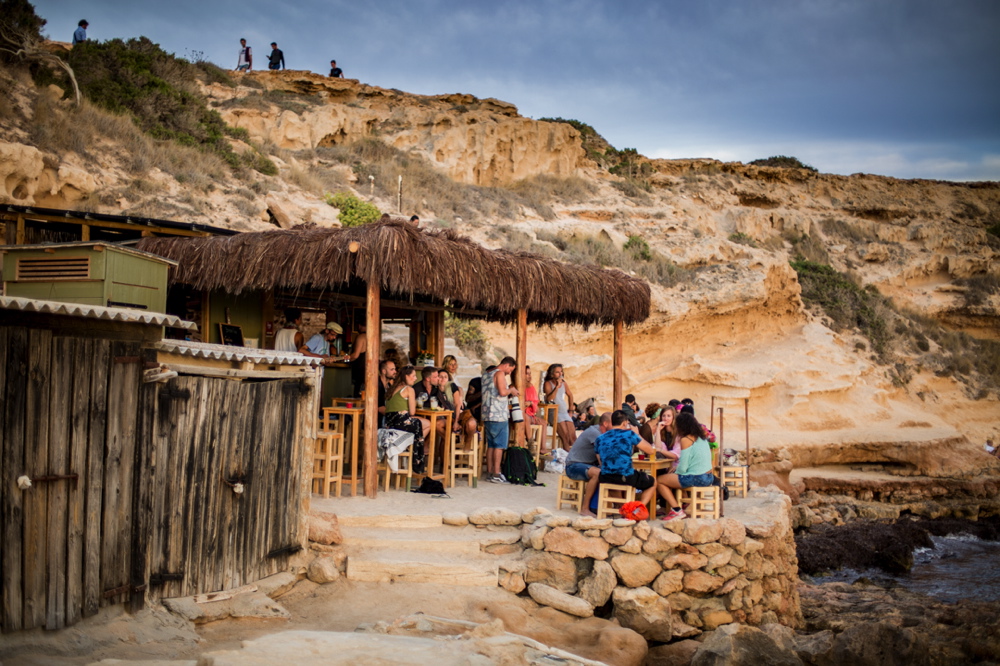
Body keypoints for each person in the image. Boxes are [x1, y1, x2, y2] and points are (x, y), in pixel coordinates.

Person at [594, 411, 670, 518]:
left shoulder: (600, 438)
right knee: (652, 482)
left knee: (615, 481)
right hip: (625, 476)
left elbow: (600, 460)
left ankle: (625, 508)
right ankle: (637, 509)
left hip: (605, 476)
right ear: (625, 423)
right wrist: (638, 434)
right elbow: (650, 450)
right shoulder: (629, 434)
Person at [658, 411, 715, 521]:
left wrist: (674, 471)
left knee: (660, 480)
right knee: (676, 477)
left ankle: (676, 510)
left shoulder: (686, 439)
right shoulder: (701, 438)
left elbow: (683, 467)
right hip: (709, 477)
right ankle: (685, 506)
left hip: (698, 477)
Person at [384, 365, 430, 472]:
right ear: (406, 376)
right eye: (413, 376)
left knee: (418, 423)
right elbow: (412, 412)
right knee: (427, 424)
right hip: (401, 423)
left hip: (391, 423)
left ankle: (409, 444)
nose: (415, 378)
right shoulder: (409, 389)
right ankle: (411, 447)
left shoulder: (392, 388)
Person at [566, 412, 613, 516]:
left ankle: (602, 506)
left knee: (609, 472)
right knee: (598, 473)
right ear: (605, 423)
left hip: (587, 464)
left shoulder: (603, 433)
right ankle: (585, 508)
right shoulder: (595, 433)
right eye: (613, 423)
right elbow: (601, 455)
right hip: (574, 465)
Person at [482, 357, 518, 483]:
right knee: (499, 445)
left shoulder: (487, 374)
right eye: (511, 370)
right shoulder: (500, 373)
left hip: (487, 413)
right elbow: (502, 392)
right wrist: (511, 390)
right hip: (498, 414)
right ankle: (497, 473)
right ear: (507, 365)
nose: (510, 373)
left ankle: (490, 472)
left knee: (491, 444)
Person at [543, 364, 575, 452]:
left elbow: (570, 395)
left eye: (561, 371)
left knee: (572, 438)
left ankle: (573, 459)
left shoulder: (564, 383)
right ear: (552, 374)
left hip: (564, 412)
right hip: (554, 412)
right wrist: (557, 386)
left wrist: (571, 410)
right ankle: (566, 461)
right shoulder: (548, 383)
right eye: (557, 372)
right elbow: (549, 398)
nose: (560, 374)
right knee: (565, 437)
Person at [346, 323, 367, 397]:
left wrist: (345, 359)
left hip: (361, 369)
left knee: (358, 393)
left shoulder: (361, 337)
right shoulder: (373, 337)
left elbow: (355, 355)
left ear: (360, 325)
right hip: (369, 370)